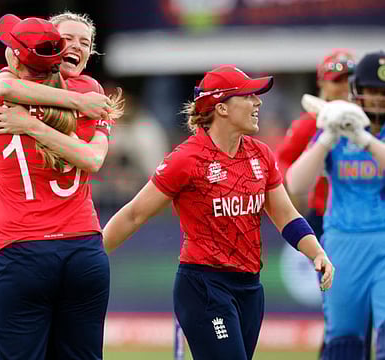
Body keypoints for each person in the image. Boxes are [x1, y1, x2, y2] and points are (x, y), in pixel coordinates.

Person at [103, 65, 335, 360]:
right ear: (222, 108)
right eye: (248, 96)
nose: (258, 103)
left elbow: (285, 215)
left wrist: (317, 252)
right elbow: (134, 214)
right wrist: (93, 255)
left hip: (250, 288)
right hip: (204, 287)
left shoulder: (260, 154)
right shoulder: (187, 159)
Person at [0, 12, 120, 360]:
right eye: (66, 38)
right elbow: (4, 84)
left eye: (84, 43)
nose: (75, 47)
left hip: (18, 243)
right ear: (48, 46)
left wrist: (28, 119)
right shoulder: (86, 99)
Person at [287, 51, 385, 360]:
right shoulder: (333, 130)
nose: (379, 98)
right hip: (343, 248)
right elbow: (296, 182)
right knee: (344, 347)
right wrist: (328, 137)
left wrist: (363, 139)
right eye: (373, 89)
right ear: (358, 90)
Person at [276, 49, 356, 239]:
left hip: (371, 216)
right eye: (338, 80)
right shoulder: (309, 123)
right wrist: (298, 190)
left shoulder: (373, 122)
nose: (346, 86)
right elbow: (281, 163)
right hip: (324, 216)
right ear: (322, 83)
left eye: (351, 80)